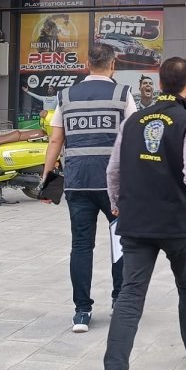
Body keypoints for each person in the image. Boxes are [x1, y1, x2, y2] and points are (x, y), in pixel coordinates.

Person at [100, 56, 186, 370]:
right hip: (177, 222)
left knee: (130, 295)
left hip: (136, 221)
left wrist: (116, 203)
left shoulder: (133, 120)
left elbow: (113, 169)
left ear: (160, 82)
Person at [40, 43, 137, 333]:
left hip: (78, 183)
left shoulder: (66, 96)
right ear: (113, 65)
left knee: (81, 246)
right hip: (115, 186)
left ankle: (82, 312)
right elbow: (134, 138)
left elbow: (55, 141)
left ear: (86, 64)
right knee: (120, 243)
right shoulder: (123, 94)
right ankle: (119, 301)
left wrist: (46, 179)